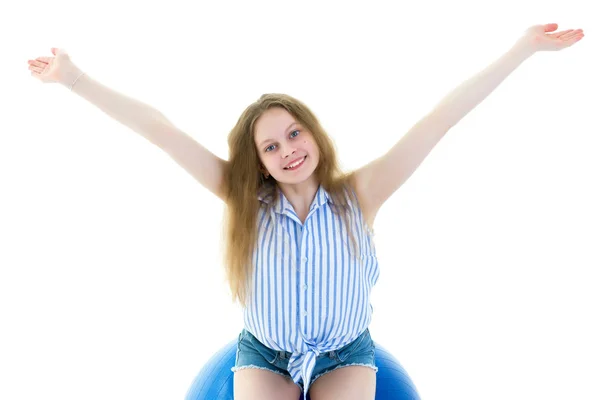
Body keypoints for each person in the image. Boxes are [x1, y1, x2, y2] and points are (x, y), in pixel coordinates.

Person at [27, 23, 584, 400]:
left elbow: (440, 119)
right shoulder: (244, 199)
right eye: (271, 146)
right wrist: (73, 78)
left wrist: (524, 49)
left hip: (345, 353)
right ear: (261, 163)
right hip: (265, 354)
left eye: (294, 133)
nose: (288, 149)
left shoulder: (359, 194)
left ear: (314, 133)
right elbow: (162, 133)